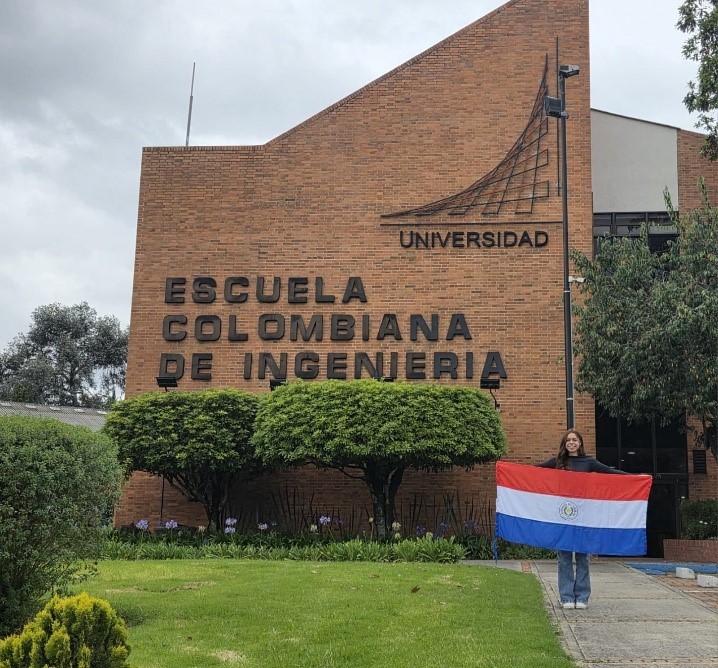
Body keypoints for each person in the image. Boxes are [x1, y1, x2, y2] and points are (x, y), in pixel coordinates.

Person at [537, 428, 629, 610]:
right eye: (568, 440)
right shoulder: (557, 462)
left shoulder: (588, 462)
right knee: (564, 558)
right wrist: (509, 470)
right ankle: (566, 597)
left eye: (574, 440)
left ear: (580, 443)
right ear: (564, 444)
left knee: (582, 557)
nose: (571, 443)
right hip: (563, 516)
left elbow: (609, 472)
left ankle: (582, 597)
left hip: (583, 517)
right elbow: (533, 470)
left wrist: (634, 478)